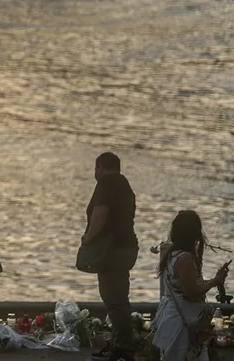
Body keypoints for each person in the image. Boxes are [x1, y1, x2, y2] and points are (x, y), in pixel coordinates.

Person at [82, 152, 138, 361]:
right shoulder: (125, 185)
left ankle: (123, 346)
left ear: (100, 167)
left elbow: (101, 212)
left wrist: (89, 237)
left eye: (95, 169)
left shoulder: (106, 183)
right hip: (127, 247)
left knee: (113, 299)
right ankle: (120, 343)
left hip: (112, 250)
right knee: (119, 297)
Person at [154, 211, 229, 361]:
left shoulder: (171, 253)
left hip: (172, 314)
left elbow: (183, 286)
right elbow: (192, 293)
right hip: (182, 322)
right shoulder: (185, 258)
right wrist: (216, 280)